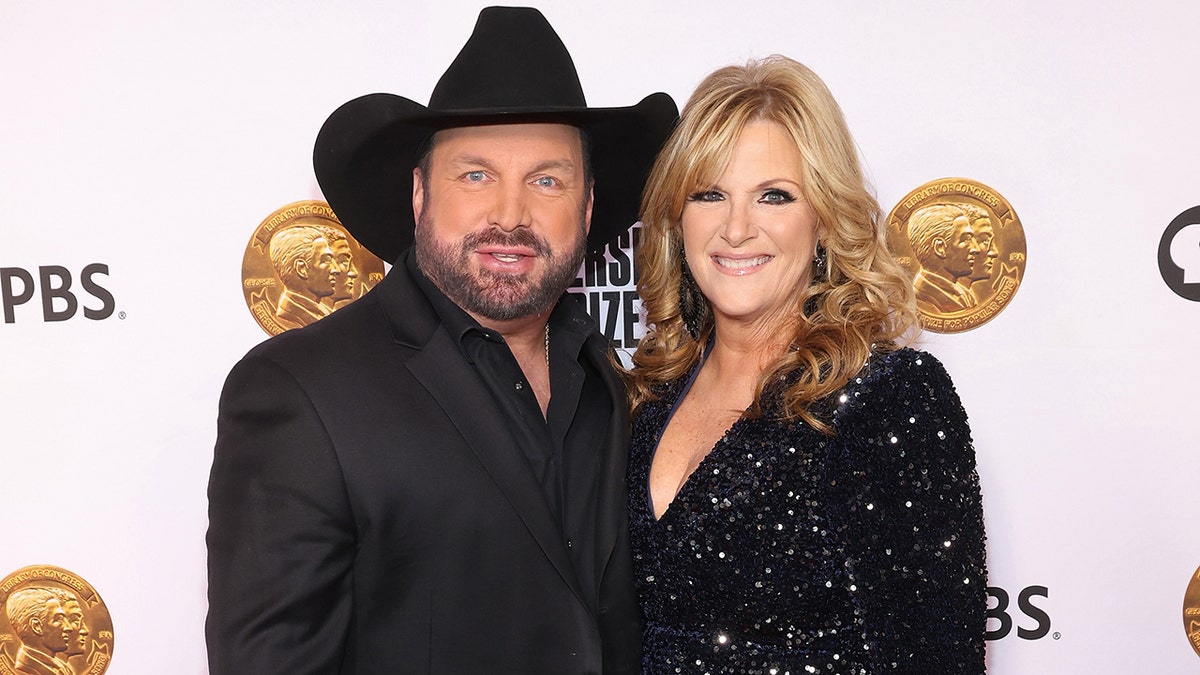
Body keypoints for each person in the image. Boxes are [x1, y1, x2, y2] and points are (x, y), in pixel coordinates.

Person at [206, 7, 676, 674]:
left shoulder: (607, 377)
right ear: (421, 192)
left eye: (546, 180)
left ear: (589, 206)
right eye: (476, 174)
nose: (511, 215)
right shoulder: (299, 393)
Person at [625, 56, 986, 673]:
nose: (736, 228)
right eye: (709, 194)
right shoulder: (647, 397)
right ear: (675, 220)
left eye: (774, 196)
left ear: (822, 220)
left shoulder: (890, 400)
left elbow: (937, 656)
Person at [907, 203, 982, 313]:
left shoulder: (966, 295)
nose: (976, 249)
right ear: (939, 247)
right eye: (966, 239)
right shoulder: (921, 296)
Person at [268, 223, 340, 327]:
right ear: (301, 269)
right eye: (327, 260)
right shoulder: (291, 314)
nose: (336, 270)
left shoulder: (324, 312)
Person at [5, 587, 73, 675]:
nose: (68, 628)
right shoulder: (26, 668)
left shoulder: (64, 668)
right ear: (36, 626)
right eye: (59, 619)